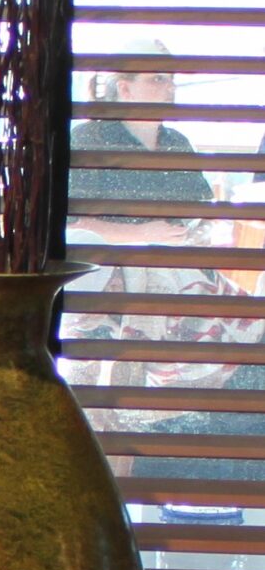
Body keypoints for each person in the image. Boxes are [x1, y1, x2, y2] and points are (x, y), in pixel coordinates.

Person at [68, 37, 264, 504]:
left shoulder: (176, 143)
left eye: (170, 79)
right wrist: (138, 234)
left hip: (179, 263)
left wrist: (194, 233)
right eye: (158, 78)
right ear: (124, 87)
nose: (169, 86)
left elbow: (199, 211)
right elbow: (69, 223)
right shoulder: (89, 140)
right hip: (113, 270)